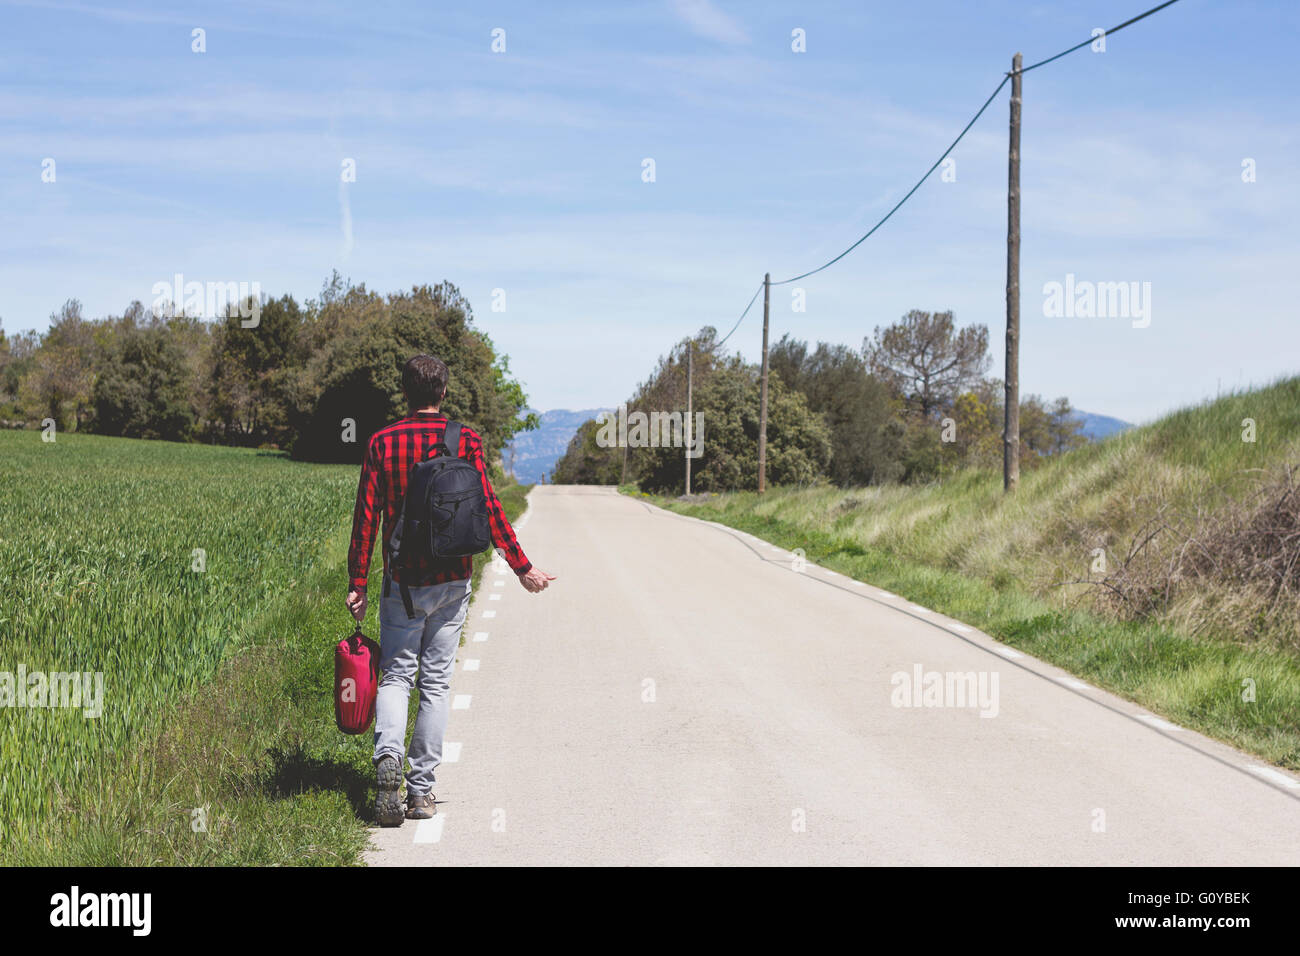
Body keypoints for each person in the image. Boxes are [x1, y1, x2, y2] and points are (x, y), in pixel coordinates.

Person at [346, 354, 555, 826]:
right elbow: (489, 506)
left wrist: (358, 582)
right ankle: (421, 793)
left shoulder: (383, 442)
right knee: (436, 683)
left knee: (398, 676)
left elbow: (366, 516)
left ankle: (387, 760)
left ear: (405, 392)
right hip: (454, 577)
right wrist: (521, 566)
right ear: (443, 392)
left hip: (402, 581)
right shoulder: (466, 440)